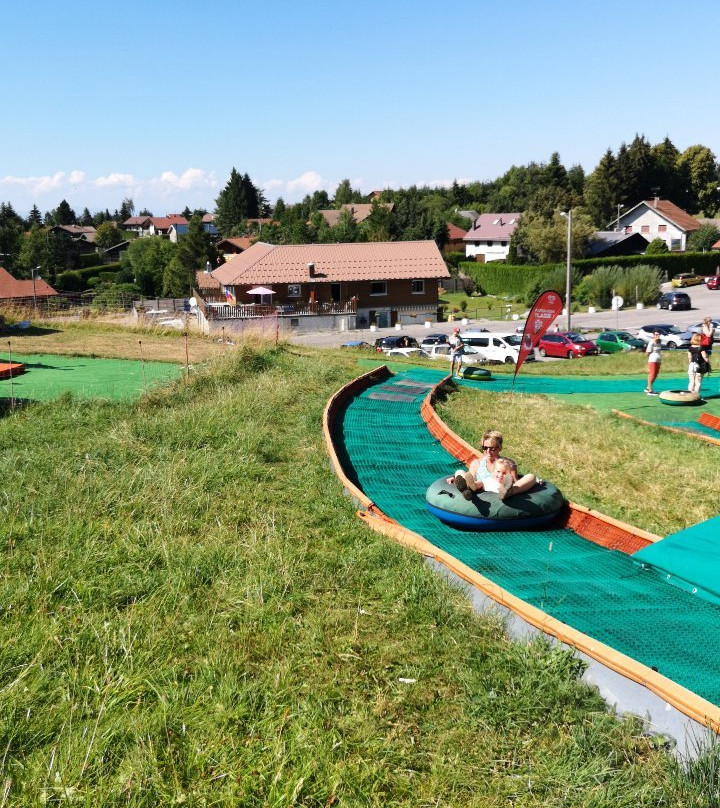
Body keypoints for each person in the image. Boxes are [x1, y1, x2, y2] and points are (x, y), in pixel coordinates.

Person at [450, 429, 537, 500]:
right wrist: (458, 479)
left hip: (501, 489)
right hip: (481, 490)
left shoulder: (508, 464)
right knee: (459, 471)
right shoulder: (477, 463)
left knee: (531, 476)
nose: (488, 451)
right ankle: (464, 489)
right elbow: (470, 479)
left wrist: (533, 482)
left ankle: (507, 493)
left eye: (492, 448)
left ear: (499, 448)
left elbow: (516, 482)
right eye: (485, 448)